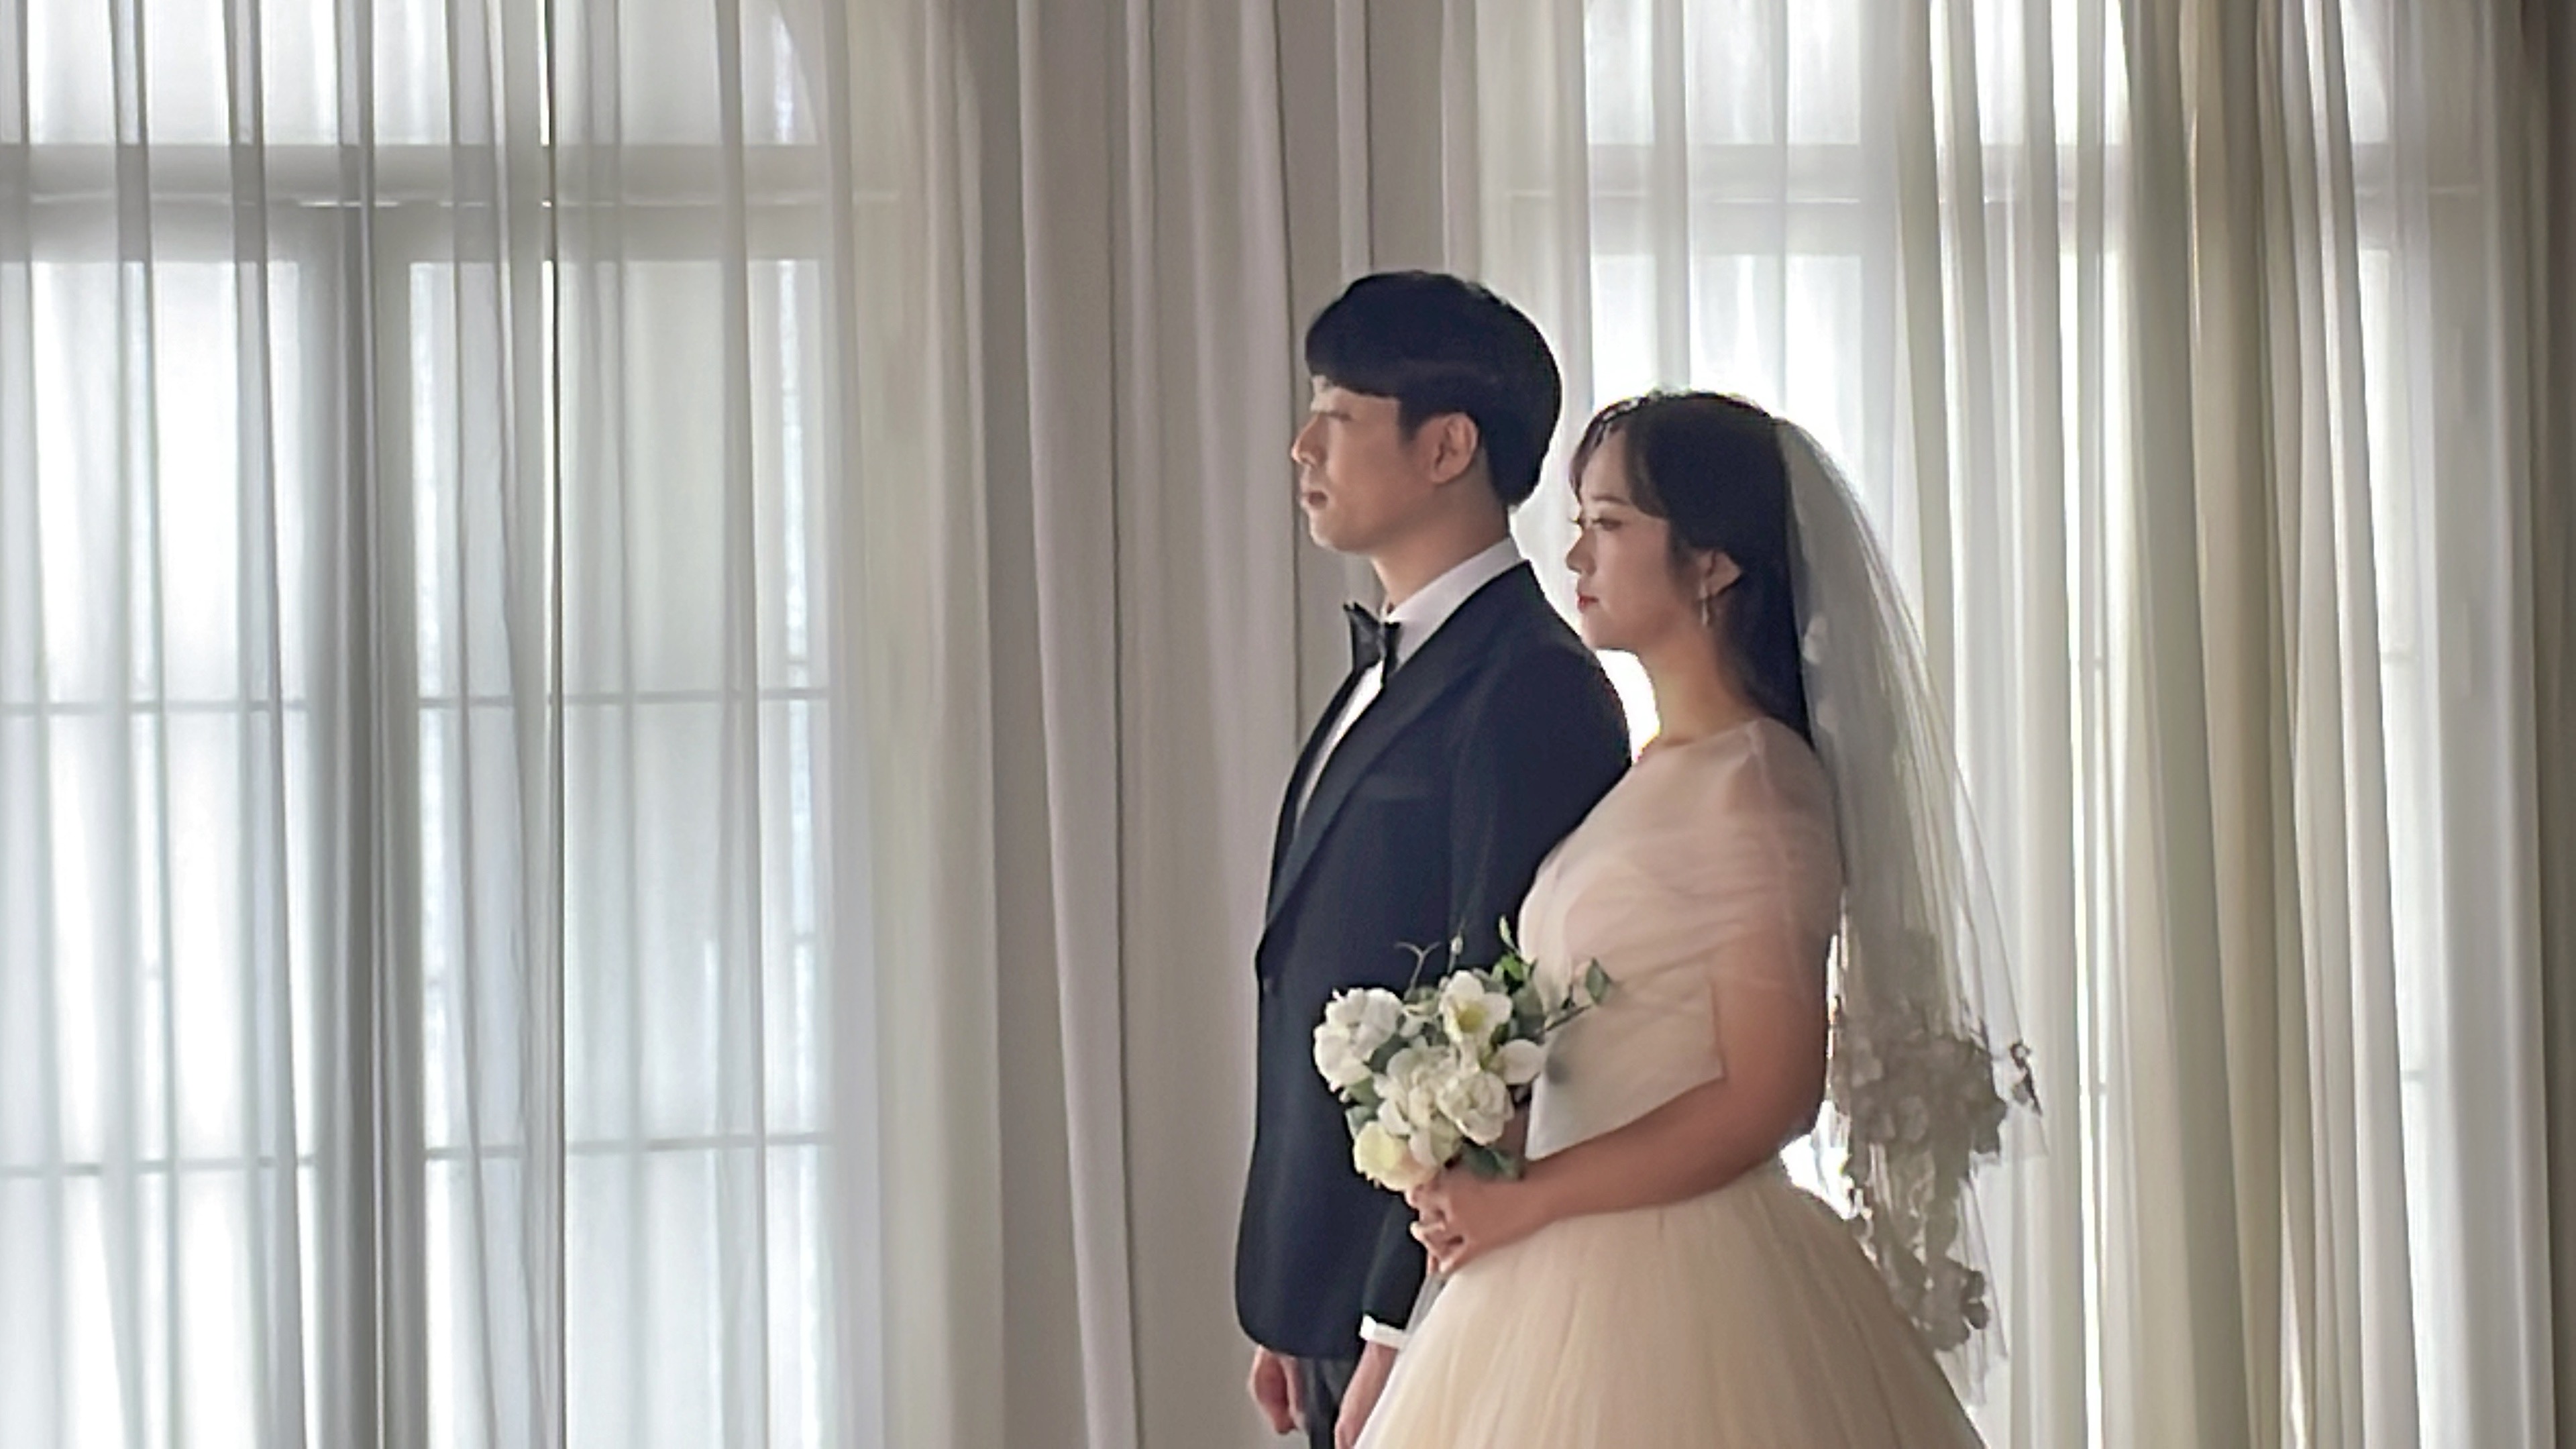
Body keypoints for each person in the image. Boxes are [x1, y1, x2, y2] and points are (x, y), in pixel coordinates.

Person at [1357, 392, 2036, 1446]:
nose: (1576, 554)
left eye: (1611, 523)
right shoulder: (1663, 771)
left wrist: (1530, 1198)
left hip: (1683, 1275)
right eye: (1579, 521)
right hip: (1563, 1256)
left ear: (1713, 563)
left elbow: (1770, 1093)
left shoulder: (1752, 783)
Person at [1235, 272, 1632, 1448]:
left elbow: (1501, 1029)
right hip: (1326, 1287)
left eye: (1340, 415)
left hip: (1432, 1305)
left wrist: (1392, 1330)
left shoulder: (1534, 686)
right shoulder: (1391, 662)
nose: (1303, 446)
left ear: (1449, 446)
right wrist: (1293, 1307)